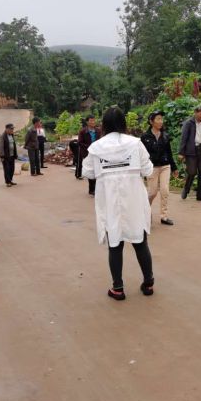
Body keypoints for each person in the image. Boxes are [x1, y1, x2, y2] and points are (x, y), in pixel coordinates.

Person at [82, 106, 155, 301]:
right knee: (140, 241)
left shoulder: (96, 147)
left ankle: (118, 288)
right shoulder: (135, 143)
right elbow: (148, 170)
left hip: (110, 200)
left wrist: (107, 172)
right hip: (134, 199)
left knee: (115, 243)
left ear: (104, 124)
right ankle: (148, 283)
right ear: (123, 123)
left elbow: (87, 172)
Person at [141, 111, 179, 225]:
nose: (161, 121)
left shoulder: (165, 136)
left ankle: (164, 216)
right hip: (151, 167)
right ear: (151, 121)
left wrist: (174, 167)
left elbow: (169, 152)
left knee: (165, 191)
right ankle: (146, 212)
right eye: (158, 119)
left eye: (161, 119)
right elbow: (141, 154)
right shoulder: (144, 137)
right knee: (152, 192)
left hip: (165, 166)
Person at [179, 105, 201, 201]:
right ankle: (186, 188)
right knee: (192, 172)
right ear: (195, 112)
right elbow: (183, 138)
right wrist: (181, 152)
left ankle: (200, 196)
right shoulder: (188, 123)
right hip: (190, 151)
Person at [78, 115, 101, 195]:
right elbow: (80, 143)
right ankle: (91, 189)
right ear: (87, 122)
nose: (93, 122)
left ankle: (97, 188)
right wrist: (90, 147)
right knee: (90, 170)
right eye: (91, 121)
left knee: (98, 170)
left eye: (94, 120)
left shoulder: (98, 131)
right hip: (88, 154)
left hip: (97, 153)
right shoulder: (83, 131)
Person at [0, 123, 18, 187]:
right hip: (6, 156)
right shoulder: (2, 136)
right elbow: (1, 147)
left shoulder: (12, 135)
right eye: (11, 129)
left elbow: (14, 145)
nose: (12, 130)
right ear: (7, 129)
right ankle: (7, 182)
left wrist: (15, 154)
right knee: (7, 169)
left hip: (12, 155)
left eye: (13, 128)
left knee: (12, 168)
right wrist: (1, 156)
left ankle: (10, 180)